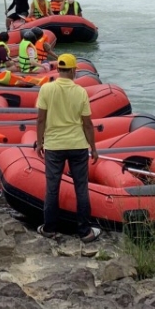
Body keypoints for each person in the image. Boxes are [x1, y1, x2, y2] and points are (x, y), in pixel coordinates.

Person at [35, 53, 101, 241]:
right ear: (73, 70)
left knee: (52, 188)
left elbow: (41, 119)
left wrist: (40, 142)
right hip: (77, 145)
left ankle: (49, 229)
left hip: (54, 145)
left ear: (58, 69)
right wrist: (93, 148)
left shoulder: (46, 89)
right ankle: (85, 231)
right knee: (81, 187)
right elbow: (87, 124)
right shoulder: (81, 92)